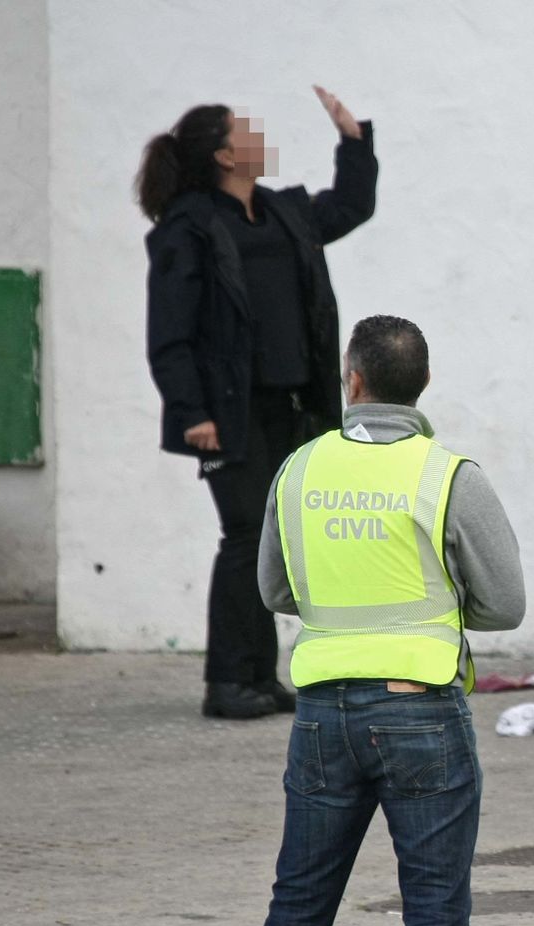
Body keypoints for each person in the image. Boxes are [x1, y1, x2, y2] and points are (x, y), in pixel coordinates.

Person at [244, 315, 525, 926]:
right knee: (435, 911)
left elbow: (273, 589)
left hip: (322, 713)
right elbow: (505, 602)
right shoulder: (449, 475)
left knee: (298, 907)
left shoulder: (300, 469)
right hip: (421, 710)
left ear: (353, 379)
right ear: (422, 384)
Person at [137, 87, 378, 719]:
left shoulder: (282, 211)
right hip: (227, 412)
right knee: (244, 536)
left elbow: (351, 206)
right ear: (223, 154)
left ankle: (260, 678)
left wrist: (353, 141)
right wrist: (192, 413)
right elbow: (170, 334)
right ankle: (225, 682)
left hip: (292, 404)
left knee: (276, 542)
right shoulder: (189, 226)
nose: (258, 136)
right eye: (245, 131)